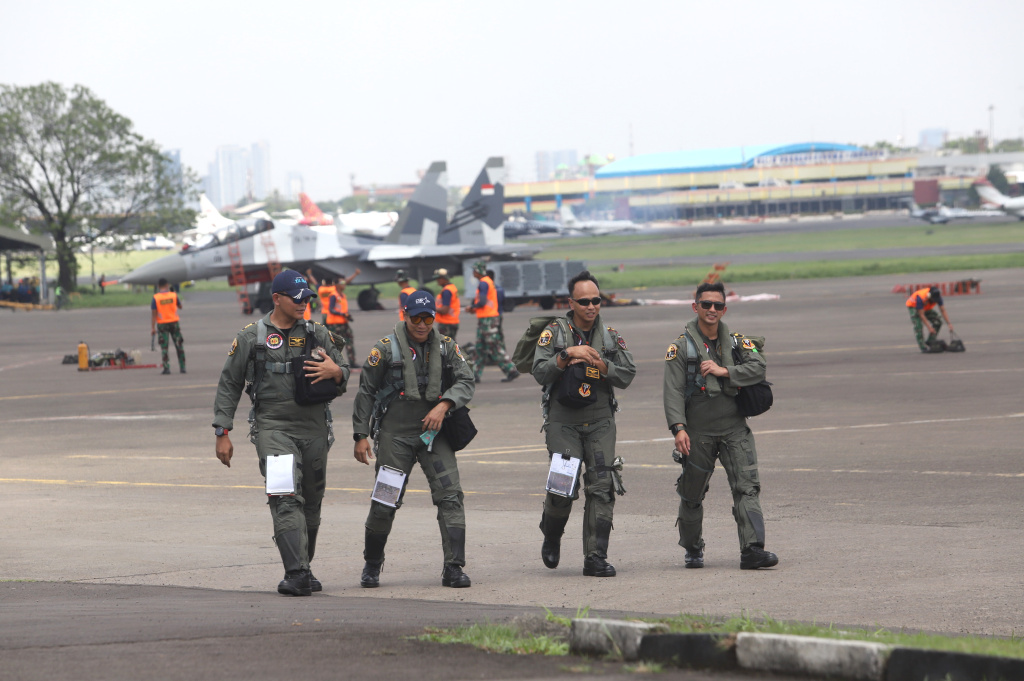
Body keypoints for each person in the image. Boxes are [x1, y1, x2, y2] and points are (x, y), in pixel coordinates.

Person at [213, 269, 350, 596]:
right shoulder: (251, 337)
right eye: (296, 298)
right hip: (273, 427)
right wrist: (223, 431)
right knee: (284, 497)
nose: (304, 303)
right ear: (277, 299)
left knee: (312, 503)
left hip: (315, 428)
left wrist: (336, 371)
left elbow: (343, 372)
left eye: (308, 298)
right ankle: (296, 571)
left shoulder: (319, 333)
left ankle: (304, 565)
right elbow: (229, 384)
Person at [352, 290, 476, 589]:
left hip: (435, 435)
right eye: (415, 318)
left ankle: (453, 567)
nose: (421, 324)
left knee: (451, 497)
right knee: (385, 501)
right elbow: (366, 393)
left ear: (435, 317)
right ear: (404, 315)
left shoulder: (447, 348)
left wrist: (445, 404)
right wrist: (360, 435)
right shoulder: (384, 350)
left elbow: (466, 380)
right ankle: (372, 563)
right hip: (395, 437)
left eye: (428, 318)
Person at [662, 281, 778, 571]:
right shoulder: (680, 348)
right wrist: (678, 429)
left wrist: (724, 370)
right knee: (691, 495)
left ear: (724, 309)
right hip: (698, 432)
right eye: (706, 304)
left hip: (734, 428)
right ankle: (692, 548)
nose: (711, 309)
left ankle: (752, 549)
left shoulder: (738, 342)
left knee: (747, 488)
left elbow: (758, 367)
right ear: (695, 307)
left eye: (717, 305)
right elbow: (673, 391)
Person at [532, 270, 636, 577]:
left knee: (602, 487)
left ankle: (595, 556)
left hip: (600, 419)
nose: (591, 306)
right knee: (563, 487)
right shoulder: (554, 333)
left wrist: (600, 364)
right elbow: (539, 371)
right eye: (584, 301)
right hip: (563, 421)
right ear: (571, 302)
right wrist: (567, 355)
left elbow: (627, 374)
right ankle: (552, 533)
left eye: (596, 300)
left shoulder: (610, 336)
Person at [465, 261, 518, 383]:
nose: (473, 273)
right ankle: (475, 374)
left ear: (478, 271)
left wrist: (472, 307)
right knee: (480, 348)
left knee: (494, 346)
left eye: (474, 270)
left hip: (488, 320)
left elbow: (482, 302)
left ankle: (511, 370)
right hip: (485, 319)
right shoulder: (487, 282)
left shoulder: (484, 283)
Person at [151, 278, 185, 375]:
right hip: (174, 323)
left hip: (162, 324)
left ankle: (166, 368)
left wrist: (152, 328)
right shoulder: (173, 295)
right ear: (167, 285)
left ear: (158, 286)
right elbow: (180, 306)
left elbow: (154, 314)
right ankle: (182, 367)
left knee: (164, 347)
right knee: (179, 345)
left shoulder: (156, 298)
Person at [906, 286, 955, 353]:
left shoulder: (938, 297)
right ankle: (923, 346)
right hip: (914, 306)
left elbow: (942, 310)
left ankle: (930, 341)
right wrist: (929, 328)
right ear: (929, 296)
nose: (935, 301)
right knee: (918, 325)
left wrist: (949, 323)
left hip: (926, 307)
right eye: (933, 299)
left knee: (938, 321)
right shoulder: (920, 297)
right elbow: (921, 315)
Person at [326, 276, 357, 367]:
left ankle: (352, 362)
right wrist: (342, 314)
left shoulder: (343, 296)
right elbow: (331, 309)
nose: (344, 285)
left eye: (344, 283)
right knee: (334, 344)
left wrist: (347, 316)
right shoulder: (333, 295)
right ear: (336, 285)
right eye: (342, 283)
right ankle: (333, 362)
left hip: (344, 323)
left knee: (349, 341)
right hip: (334, 324)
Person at [433, 268, 461, 340]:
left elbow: (445, 310)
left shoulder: (447, 291)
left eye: (439, 278)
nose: (437, 280)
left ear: (444, 278)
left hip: (446, 324)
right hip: (451, 321)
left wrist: (432, 307)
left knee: (445, 347)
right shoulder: (451, 288)